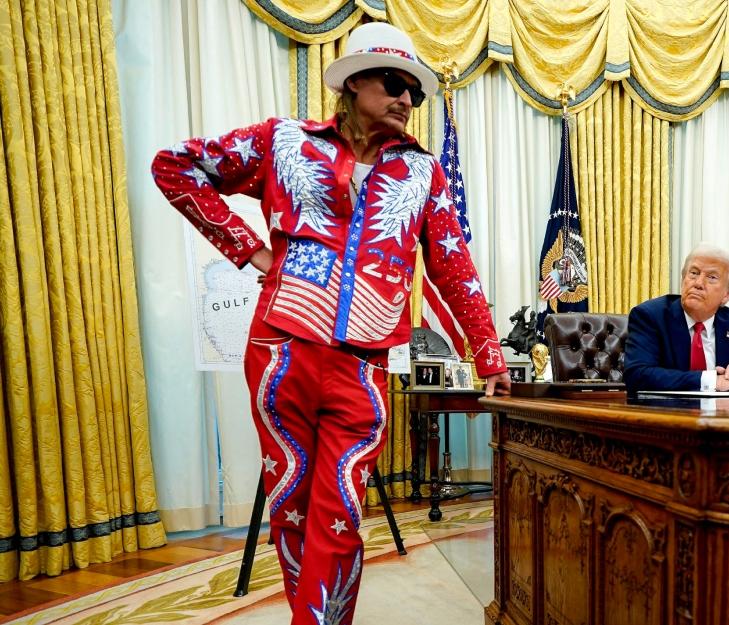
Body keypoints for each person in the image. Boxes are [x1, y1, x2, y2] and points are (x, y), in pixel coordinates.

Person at [151, 22, 510, 625]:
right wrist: (250, 250)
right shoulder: (283, 141)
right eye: (395, 84)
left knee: (341, 510)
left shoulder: (424, 174)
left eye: (415, 93)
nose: (406, 100)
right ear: (352, 83)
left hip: (363, 366)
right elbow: (176, 168)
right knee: (290, 504)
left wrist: (490, 354)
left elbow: (455, 267)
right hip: (280, 353)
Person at [624, 243, 729, 394]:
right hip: (668, 414)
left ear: (727, 294)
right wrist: (712, 381)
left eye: (711, 277)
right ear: (683, 279)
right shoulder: (651, 316)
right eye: (694, 273)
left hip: (723, 415)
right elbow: (637, 375)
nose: (698, 283)